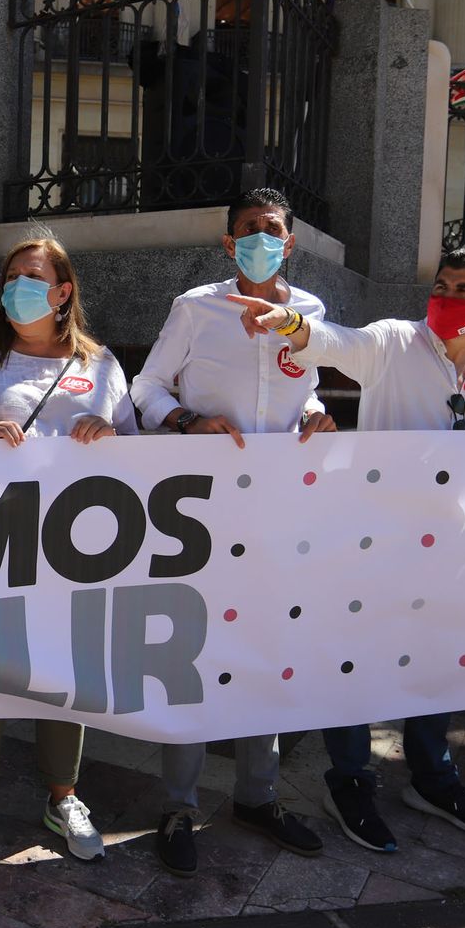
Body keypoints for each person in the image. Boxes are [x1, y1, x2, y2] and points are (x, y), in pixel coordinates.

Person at [225, 247, 465, 853]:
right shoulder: (394, 341)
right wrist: (289, 322)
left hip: (450, 545)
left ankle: (433, 779)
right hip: (373, 540)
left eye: (464, 290)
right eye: (441, 285)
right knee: (353, 660)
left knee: (436, 660)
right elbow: (336, 343)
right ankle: (350, 781)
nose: (446, 297)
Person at [130, 188, 332, 875]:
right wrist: (187, 421)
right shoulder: (195, 308)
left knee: (264, 652)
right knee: (192, 654)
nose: (259, 239)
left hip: (278, 512)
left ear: (290, 242)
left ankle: (258, 796)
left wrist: (317, 413)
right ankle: (178, 805)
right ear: (228, 243)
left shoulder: (310, 314)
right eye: (248, 229)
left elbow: (304, 388)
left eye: (271, 229)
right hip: (201, 512)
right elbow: (146, 389)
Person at [0, 237, 138, 866]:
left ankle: (63, 796)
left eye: (33, 276)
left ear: (63, 291)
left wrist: (107, 434)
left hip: (77, 548)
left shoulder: (101, 364)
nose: (18, 286)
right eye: (11, 275)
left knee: (67, 670)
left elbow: (136, 448)